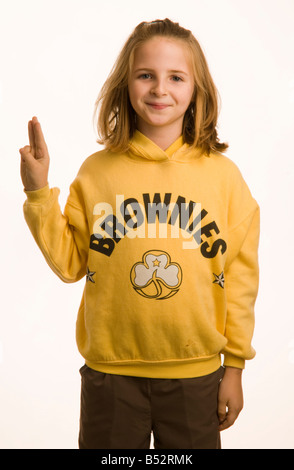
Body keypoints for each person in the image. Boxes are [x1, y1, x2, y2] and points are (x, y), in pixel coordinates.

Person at [19, 19, 260, 449]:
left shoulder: (224, 179)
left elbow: (241, 280)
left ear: (196, 89)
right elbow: (70, 263)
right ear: (125, 85)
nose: (159, 89)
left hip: (196, 374)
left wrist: (235, 367)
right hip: (110, 376)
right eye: (145, 75)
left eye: (176, 77)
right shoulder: (97, 172)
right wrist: (38, 191)